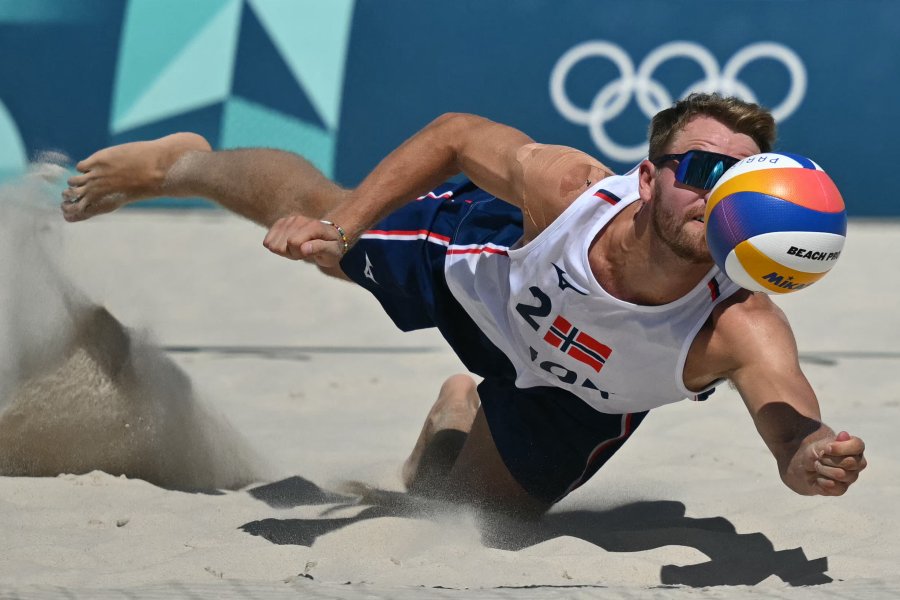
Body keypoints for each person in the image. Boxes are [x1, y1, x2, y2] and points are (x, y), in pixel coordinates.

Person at [61, 93, 866, 516]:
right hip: (486, 286)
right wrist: (343, 226)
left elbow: (790, 424)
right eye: (700, 171)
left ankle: (461, 409)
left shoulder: (739, 322)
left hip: (575, 401)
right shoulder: (566, 190)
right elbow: (453, 132)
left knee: (460, 515)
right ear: (649, 178)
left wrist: (806, 458)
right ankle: (183, 167)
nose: (716, 196)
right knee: (321, 226)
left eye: (741, 181)